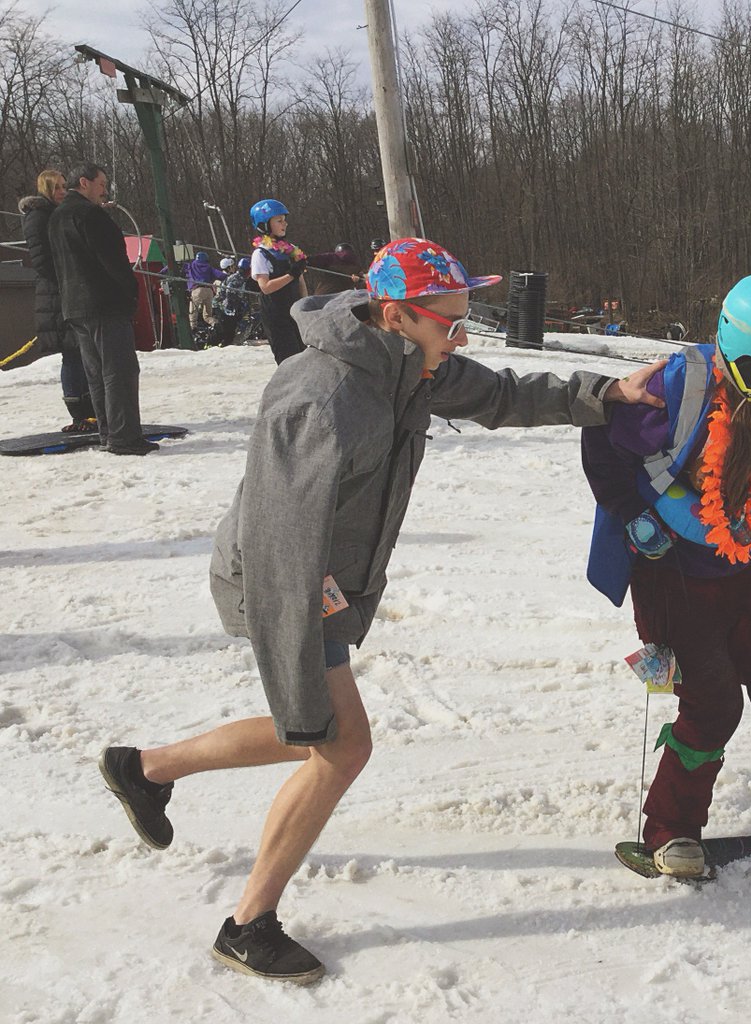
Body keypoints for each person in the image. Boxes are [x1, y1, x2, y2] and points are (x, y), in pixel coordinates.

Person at [98, 237, 665, 984]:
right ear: (395, 316)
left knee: (315, 733)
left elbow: (500, 395)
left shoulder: (407, 367)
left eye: (464, 322)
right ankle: (247, 926)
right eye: (449, 325)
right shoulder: (320, 398)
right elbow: (277, 543)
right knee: (338, 745)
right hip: (283, 584)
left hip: (323, 578)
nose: (461, 339)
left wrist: (607, 393)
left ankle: (144, 769)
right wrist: (300, 659)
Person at [580, 273, 751, 878]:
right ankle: (671, 830)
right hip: (673, 576)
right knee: (712, 704)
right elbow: (602, 439)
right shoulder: (679, 391)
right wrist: (632, 515)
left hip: (747, 572)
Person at [48, 162, 155, 456]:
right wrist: (130, 294)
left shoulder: (56, 217)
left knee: (96, 374)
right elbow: (113, 260)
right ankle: (125, 437)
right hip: (105, 303)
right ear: (84, 182)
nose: (104, 191)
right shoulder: (91, 215)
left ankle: (108, 432)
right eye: (101, 184)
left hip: (74, 305)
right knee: (119, 371)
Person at [18, 169, 97, 431]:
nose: (63, 191)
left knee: (82, 351)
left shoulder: (59, 214)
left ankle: (92, 411)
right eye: (58, 187)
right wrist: (69, 277)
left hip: (69, 288)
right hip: (57, 293)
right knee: (72, 353)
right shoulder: (39, 217)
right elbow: (42, 260)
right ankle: (80, 413)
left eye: (64, 186)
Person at [249, 199, 307, 363]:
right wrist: (291, 275)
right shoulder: (261, 254)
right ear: (265, 225)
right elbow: (265, 287)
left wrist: (306, 303)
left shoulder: (291, 249)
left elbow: (300, 281)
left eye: (284, 220)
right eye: (279, 221)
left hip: (294, 310)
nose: (285, 224)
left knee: (305, 357)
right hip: (276, 314)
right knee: (289, 359)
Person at [208, 257, 255, 347]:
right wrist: (235, 308)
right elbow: (230, 293)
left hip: (230, 308)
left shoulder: (243, 278)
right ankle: (212, 344)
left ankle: (227, 345)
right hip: (224, 308)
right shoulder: (237, 278)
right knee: (225, 330)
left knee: (230, 332)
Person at [185, 251, 225, 333]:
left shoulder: (191, 265)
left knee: (193, 312)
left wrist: (161, 273)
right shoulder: (209, 267)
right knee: (207, 316)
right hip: (209, 291)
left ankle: (193, 329)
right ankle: (215, 323)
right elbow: (221, 275)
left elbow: (173, 267)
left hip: (197, 290)